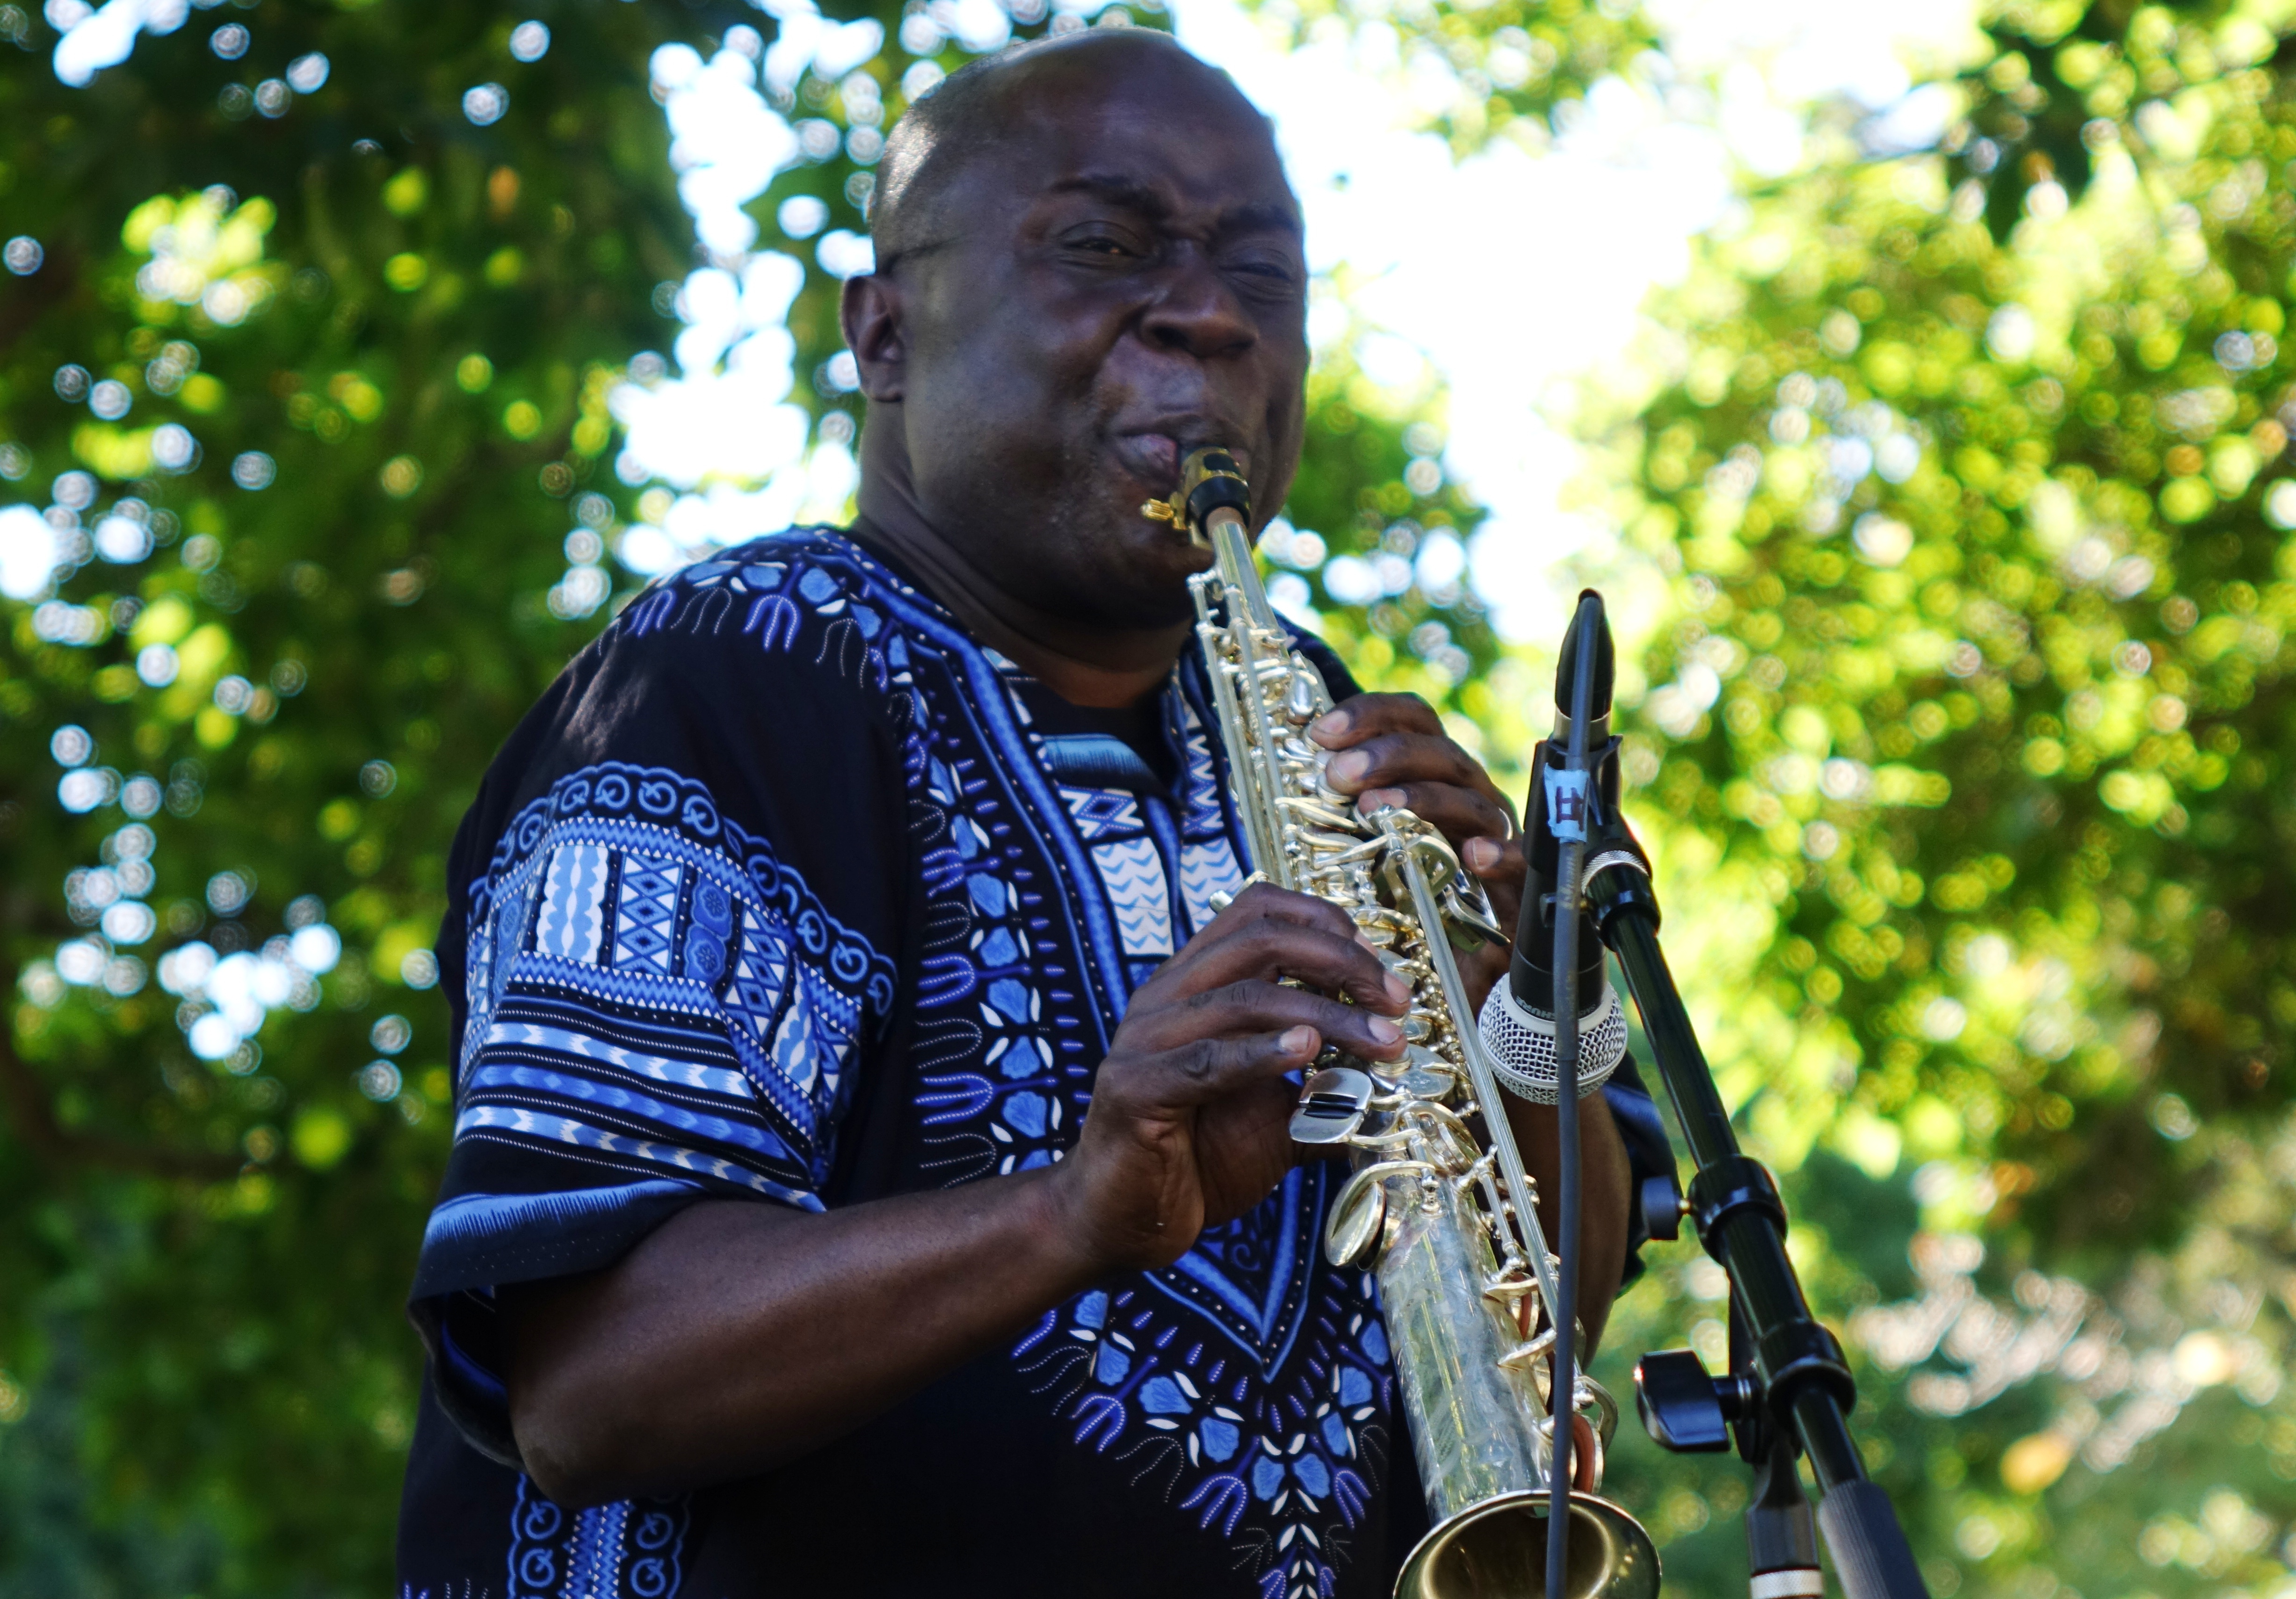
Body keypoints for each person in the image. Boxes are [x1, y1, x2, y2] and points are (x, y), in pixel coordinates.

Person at [395, 28, 1672, 1598]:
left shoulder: (1328, 717)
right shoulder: (719, 681)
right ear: (885, 336)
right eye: (1105, 245)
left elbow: (1562, 1302)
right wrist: (1073, 1212)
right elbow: (590, 1384)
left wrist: (1525, 997)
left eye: (1261, 278)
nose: (1206, 313)